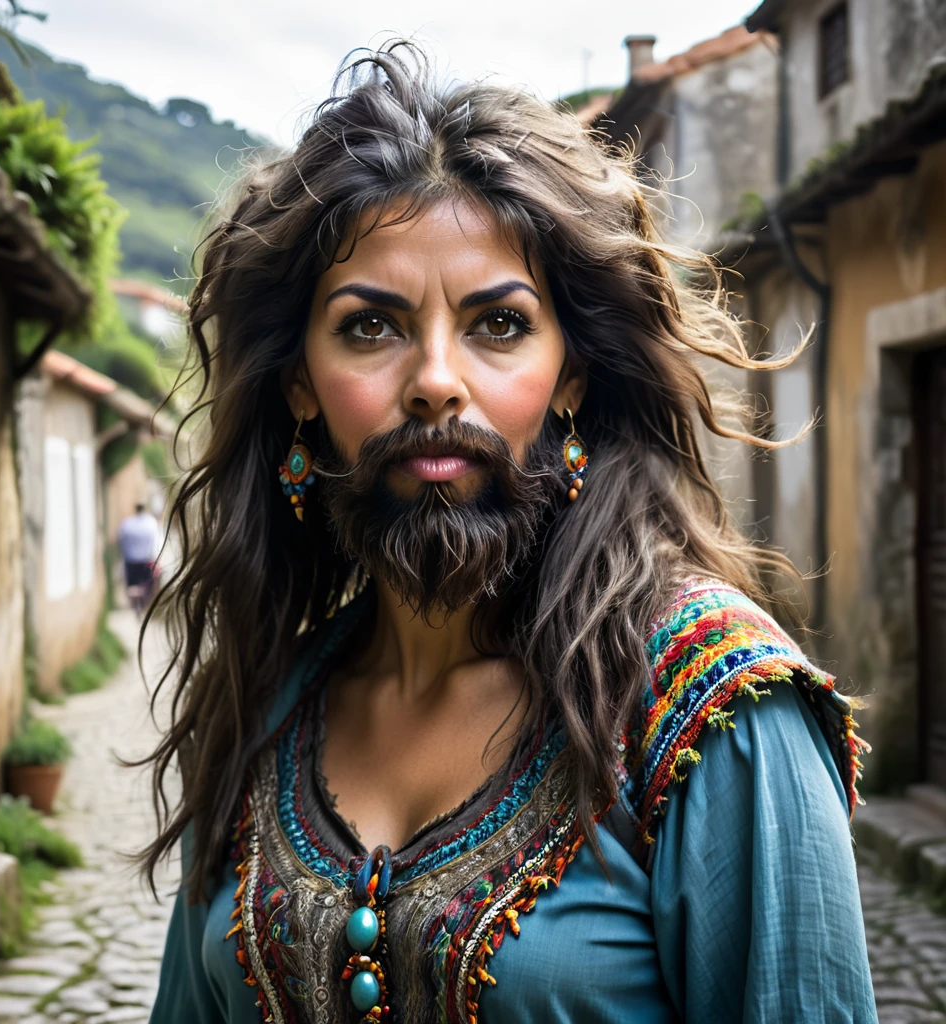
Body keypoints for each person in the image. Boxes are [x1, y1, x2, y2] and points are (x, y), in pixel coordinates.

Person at [140, 42, 877, 1024]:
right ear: (298, 386)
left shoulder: (711, 715)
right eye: (370, 326)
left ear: (571, 375)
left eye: (497, 325)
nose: (435, 379)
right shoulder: (262, 705)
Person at [117, 502, 163, 614]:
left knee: (132, 585)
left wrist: (125, 554)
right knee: (146, 585)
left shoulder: (127, 523)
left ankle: (135, 607)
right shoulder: (151, 523)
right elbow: (156, 541)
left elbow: (121, 540)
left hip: (131, 560)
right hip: (147, 560)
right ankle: (143, 607)